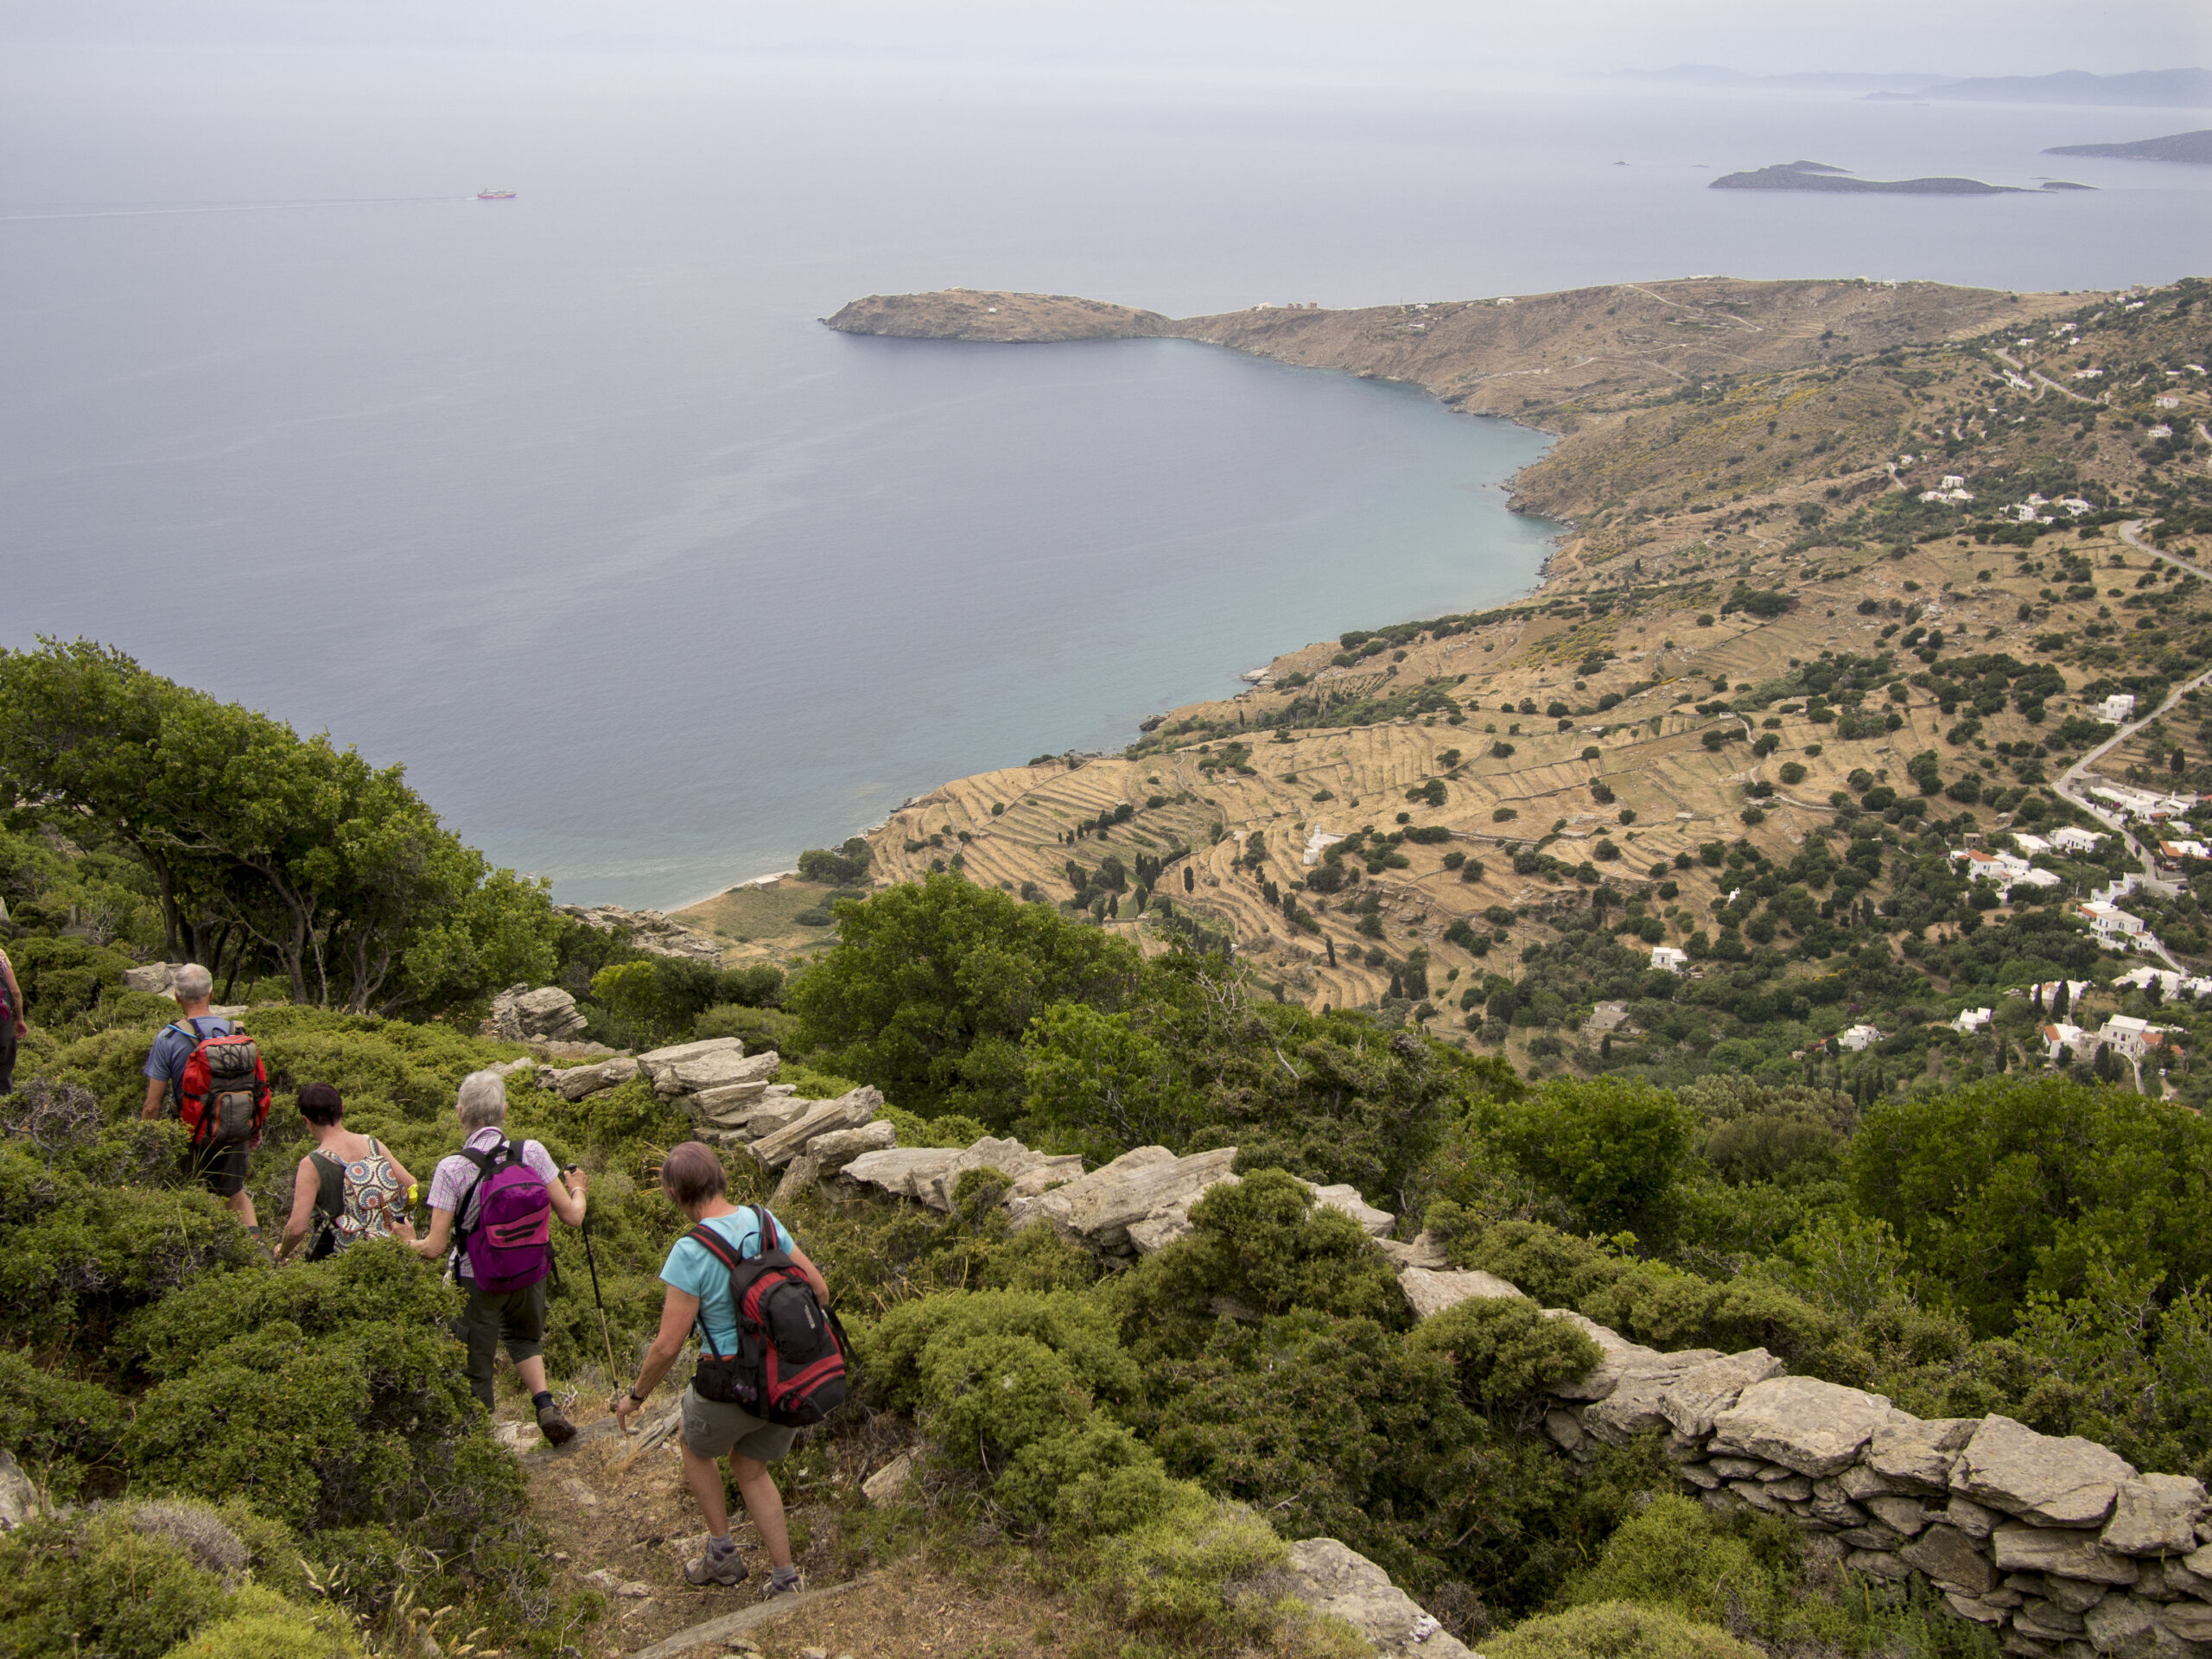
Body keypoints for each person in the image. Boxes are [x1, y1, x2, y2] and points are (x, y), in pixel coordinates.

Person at [613, 1141, 827, 1595]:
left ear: (675, 1193)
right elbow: (820, 1291)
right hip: (789, 1381)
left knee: (693, 1440)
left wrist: (636, 1396)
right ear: (719, 1177)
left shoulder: (689, 1251)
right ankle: (785, 1577)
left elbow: (669, 1345)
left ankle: (722, 1554)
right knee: (751, 1467)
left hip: (731, 1383)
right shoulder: (765, 1221)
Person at [412, 1068, 588, 1445]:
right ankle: (545, 1404)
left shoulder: (452, 1168)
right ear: (504, 1111)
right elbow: (573, 1217)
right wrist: (579, 1190)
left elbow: (435, 1248)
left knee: (477, 1370)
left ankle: (482, 1448)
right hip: (530, 1272)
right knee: (525, 1339)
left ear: (461, 1114)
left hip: (478, 1280)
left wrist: (402, 1240)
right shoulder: (533, 1151)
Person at [140, 963, 262, 1244]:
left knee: (190, 1197)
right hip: (234, 1131)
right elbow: (254, 1085)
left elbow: (151, 1107)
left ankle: (202, 1258)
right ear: (211, 993)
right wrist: (254, 1128)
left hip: (189, 1135)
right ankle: (257, 1254)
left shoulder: (168, 1038)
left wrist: (151, 1145)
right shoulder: (237, 1030)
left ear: (176, 997)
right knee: (235, 1195)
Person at [274, 1083, 417, 1264]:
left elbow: (297, 1228)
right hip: (386, 1250)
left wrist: (281, 1252)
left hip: (336, 1259)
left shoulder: (311, 1165)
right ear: (342, 1108)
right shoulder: (373, 1144)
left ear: (306, 1120)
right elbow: (411, 1184)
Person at [0, 941, 23, 1095]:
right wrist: (19, 1019)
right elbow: (15, 992)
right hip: (2, 1017)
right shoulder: (0, 956)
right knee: (3, 1065)